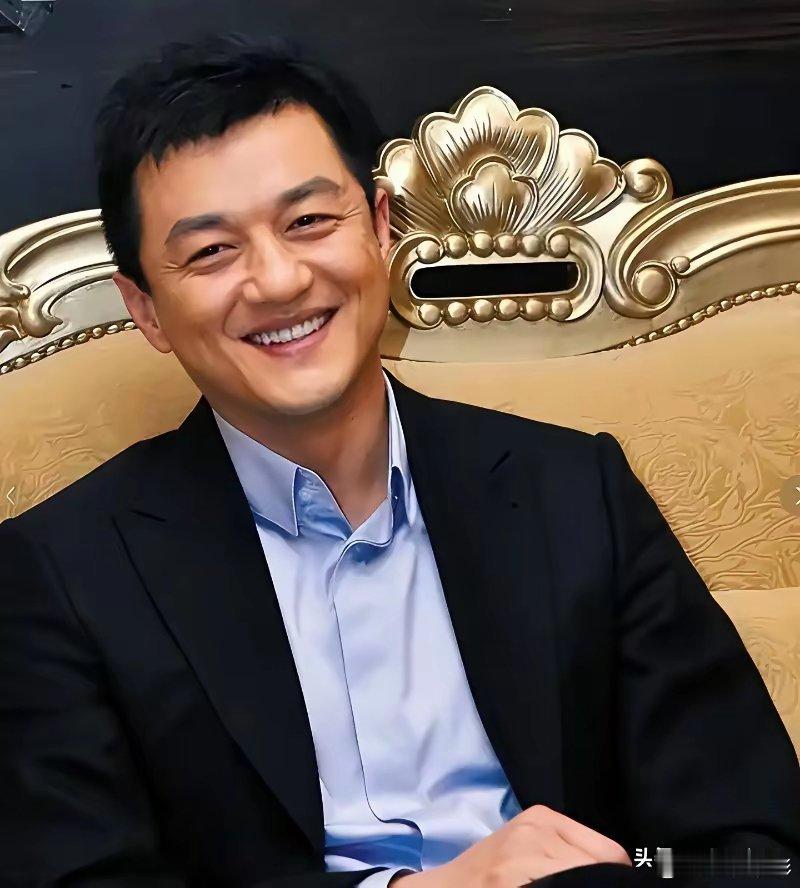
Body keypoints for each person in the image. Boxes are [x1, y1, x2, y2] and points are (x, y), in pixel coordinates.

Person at [0, 35, 798, 888]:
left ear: (381, 228)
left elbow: (755, 851)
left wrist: (616, 873)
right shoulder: (59, 575)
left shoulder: (575, 492)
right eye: (211, 252)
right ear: (147, 309)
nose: (278, 280)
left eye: (309, 222)